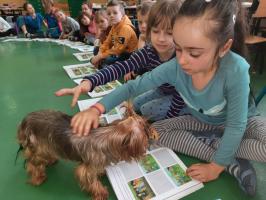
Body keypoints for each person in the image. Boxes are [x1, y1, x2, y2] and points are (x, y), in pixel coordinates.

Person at [59, 0, 266, 197]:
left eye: (194, 53)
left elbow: (236, 126)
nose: (182, 60)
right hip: (201, 122)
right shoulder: (175, 67)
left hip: (244, 122)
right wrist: (96, 109)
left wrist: (215, 168)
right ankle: (229, 159)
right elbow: (133, 86)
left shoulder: (236, 69)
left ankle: (222, 154)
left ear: (223, 48)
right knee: (155, 133)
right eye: (178, 48)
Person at [56, 0, 184, 122]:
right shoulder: (149, 51)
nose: (161, 39)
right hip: (162, 89)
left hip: (181, 97)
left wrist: (170, 118)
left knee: (146, 109)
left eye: (169, 33)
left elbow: (181, 94)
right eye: (156, 31)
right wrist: (90, 81)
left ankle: (183, 113)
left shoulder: (181, 59)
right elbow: (121, 67)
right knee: (135, 104)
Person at [90, 0, 138, 68]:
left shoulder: (125, 28)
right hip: (119, 51)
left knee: (108, 60)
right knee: (97, 50)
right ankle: (103, 63)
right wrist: (99, 53)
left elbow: (118, 50)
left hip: (128, 54)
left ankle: (106, 65)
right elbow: (107, 42)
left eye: (115, 13)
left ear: (122, 14)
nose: (111, 16)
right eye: (109, 14)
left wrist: (100, 56)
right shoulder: (114, 26)